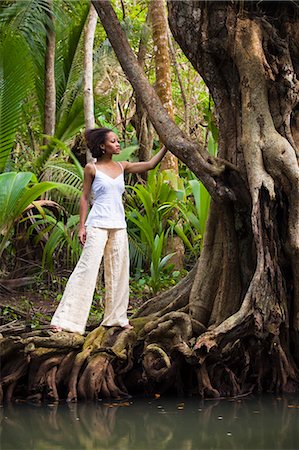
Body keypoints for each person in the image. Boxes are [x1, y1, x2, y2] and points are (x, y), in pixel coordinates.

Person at [50, 127, 167, 334]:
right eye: (113, 141)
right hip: (97, 224)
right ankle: (67, 320)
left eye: (118, 141)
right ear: (102, 146)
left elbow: (150, 164)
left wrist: (167, 146)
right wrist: (82, 226)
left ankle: (116, 318)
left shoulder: (123, 166)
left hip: (119, 225)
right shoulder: (91, 169)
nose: (118, 144)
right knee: (87, 269)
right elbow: (85, 197)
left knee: (118, 272)